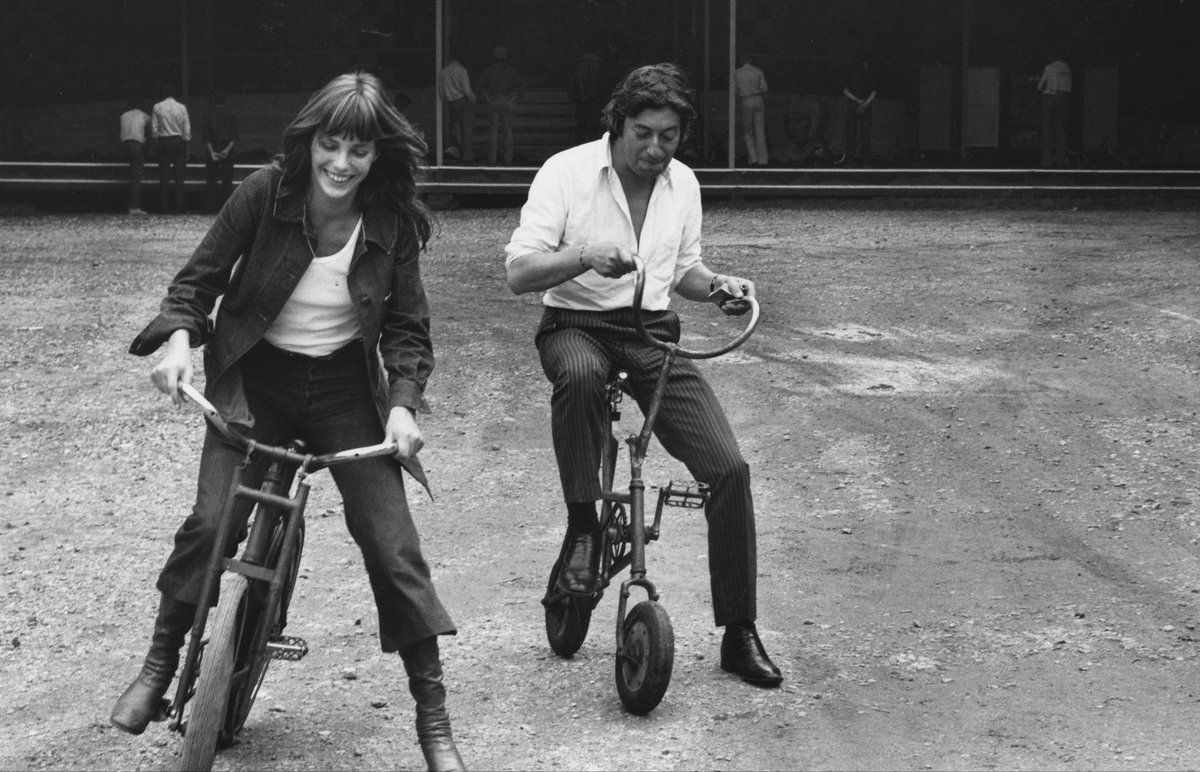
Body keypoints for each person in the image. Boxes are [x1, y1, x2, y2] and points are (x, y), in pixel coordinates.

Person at [110, 72, 465, 772]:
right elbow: (195, 286)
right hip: (257, 381)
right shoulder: (262, 194)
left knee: (393, 546)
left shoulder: (390, 223)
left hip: (344, 392)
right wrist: (181, 342)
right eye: (329, 145)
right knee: (213, 523)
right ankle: (159, 665)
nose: (340, 164)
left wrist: (401, 406)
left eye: (357, 151)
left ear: (377, 155)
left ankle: (434, 720)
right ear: (307, 142)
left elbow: (408, 330)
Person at [503, 63, 783, 688]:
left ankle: (739, 633)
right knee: (577, 377)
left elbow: (683, 269)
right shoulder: (566, 172)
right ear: (617, 123)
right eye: (643, 132)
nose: (655, 148)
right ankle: (584, 529)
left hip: (652, 334)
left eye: (669, 135)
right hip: (576, 326)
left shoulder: (683, 184)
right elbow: (519, 272)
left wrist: (719, 289)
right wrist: (583, 255)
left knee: (728, 469)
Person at [475, 46, 526, 166]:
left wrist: (485, 97)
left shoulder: (489, 69)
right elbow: (523, 83)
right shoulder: (510, 69)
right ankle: (508, 160)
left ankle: (492, 160)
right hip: (507, 100)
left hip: (493, 99)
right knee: (508, 132)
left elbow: (478, 85)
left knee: (493, 132)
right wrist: (516, 97)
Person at [151, 83, 191, 213]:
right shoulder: (181, 107)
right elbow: (186, 129)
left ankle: (164, 206)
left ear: (163, 93)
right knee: (179, 176)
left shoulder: (157, 107)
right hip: (178, 141)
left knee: (164, 175)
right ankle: (180, 205)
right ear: (175, 94)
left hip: (164, 142)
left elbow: (154, 129)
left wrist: (157, 141)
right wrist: (186, 142)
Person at [201, 90, 239, 212]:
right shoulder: (231, 114)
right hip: (227, 147)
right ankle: (226, 208)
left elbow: (206, 136)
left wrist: (212, 152)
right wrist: (227, 150)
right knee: (227, 180)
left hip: (213, 147)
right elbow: (234, 136)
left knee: (211, 179)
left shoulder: (208, 114)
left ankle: (209, 206)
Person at [438, 52, 477, 162]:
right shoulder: (462, 70)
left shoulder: (443, 72)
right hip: (463, 102)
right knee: (467, 130)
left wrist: (447, 102)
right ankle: (467, 157)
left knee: (456, 129)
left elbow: (441, 91)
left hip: (451, 103)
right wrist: (474, 100)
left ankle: (456, 154)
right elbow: (467, 90)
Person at [1037, 51, 1072, 168]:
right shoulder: (1067, 68)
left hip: (1049, 96)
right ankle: (1061, 162)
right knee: (1060, 130)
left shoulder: (1050, 67)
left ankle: (1046, 162)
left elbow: (1040, 85)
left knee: (1047, 130)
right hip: (1062, 98)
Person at [734, 53, 769, 167]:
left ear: (740, 61)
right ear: (750, 60)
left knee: (748, 131)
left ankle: (753, 159)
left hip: (746, 100)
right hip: (758, 99)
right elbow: (764, 88)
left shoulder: (737, 72)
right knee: (760, 129)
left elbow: (735, 89)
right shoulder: (758, 71)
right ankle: (763, 160)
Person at [841, 58, 876, 165]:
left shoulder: (864, 75)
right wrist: (864, 103)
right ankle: (863, 162)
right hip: (862, 104)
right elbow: (874, 92)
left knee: (853, 134)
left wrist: (859, 101)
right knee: (864, 135)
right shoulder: (867, 74)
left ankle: (851, 161)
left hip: (857, 103)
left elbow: (845, 91)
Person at [118, 99, 150, 214]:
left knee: (132, 172)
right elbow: (149, 131)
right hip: (136, 145)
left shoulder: (123, 115)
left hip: (124, 145)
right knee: (136, 177)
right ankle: (134, 206)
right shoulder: (144, 115)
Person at [569, 52, 604, 144]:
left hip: (593, 103)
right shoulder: (579, 74)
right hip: (583, 103)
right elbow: (573, 89)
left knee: (592, 126)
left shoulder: (598, 75)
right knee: (582, 126)